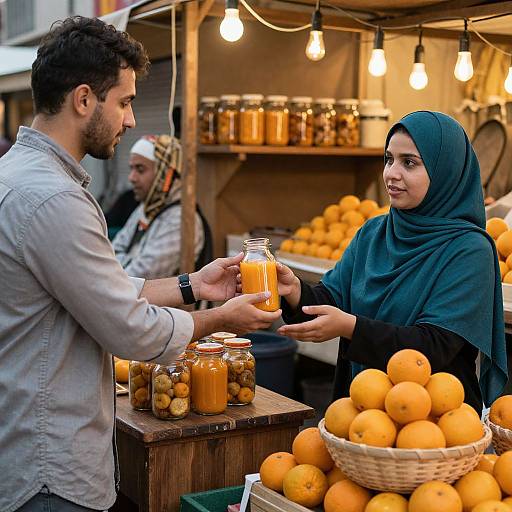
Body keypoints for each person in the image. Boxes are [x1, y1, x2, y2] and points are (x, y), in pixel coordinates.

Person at [0, 17, 281, 512]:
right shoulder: (54, 198)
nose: (131, 120)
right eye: (125, 101)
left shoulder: (16, 174)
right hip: (48, 468)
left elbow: (99, 285)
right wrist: (220, 320)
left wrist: (193, 284)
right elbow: (128, 328)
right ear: (84, 100)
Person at [277, 111, 508, 416]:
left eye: (409, 162)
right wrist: (294, 290)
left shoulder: (469, 249)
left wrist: (350, 326)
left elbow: (434, 346)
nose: (391, 173)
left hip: (435, 421)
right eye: (389, 159)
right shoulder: (374, 233)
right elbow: (331, 298)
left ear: (445, 171)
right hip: (365, 408)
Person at [112, 134, 211, 279]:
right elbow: (109, 254)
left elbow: (138, 277)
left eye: (140, 169)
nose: (131, 178)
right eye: (131, 169)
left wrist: (119, 264)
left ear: (164, 174)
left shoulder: (180, 220)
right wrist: (127, 262)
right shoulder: (145, 208)